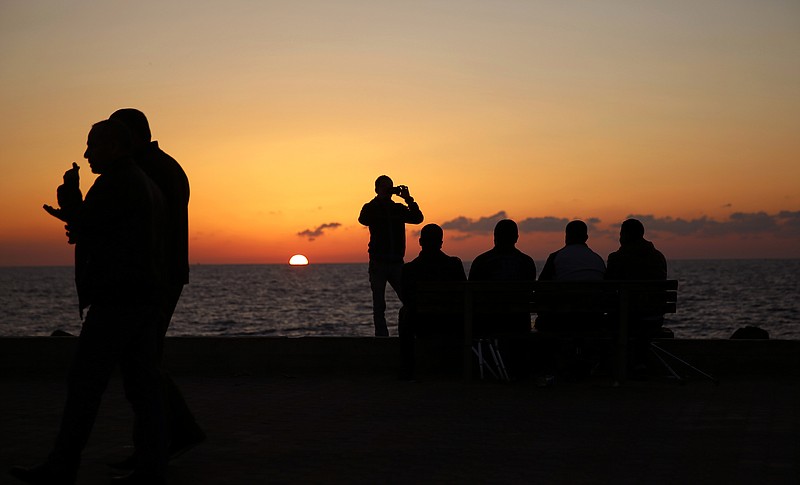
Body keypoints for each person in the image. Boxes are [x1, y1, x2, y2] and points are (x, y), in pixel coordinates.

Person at [12, 119, 168, 484]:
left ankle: (62, 466)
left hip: (117, 302)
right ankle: (151, 468)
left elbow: (89, 224)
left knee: (85, 386)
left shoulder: (116, 182)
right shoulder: (143, 184)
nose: (86, 153)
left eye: (92, 146)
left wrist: (70, 201)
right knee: (144, 389)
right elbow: (103, 229)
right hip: (143, 300)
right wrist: (78, 217)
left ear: (114, 146)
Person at [108, 108, 205, 469]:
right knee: (142, 360)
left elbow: (141, 226)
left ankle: (165, 440)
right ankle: (168, 437)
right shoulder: (164, 166)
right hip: (161, 273)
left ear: (132, 135)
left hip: (154, 276)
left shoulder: (150, 170)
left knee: (141, 362)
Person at [468, 219, 536, 379]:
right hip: (518, 322)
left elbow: (471, 295)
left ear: (494, 237)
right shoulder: (526, 262)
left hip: (488, 322)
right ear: (516, 238)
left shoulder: (481, 261)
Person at [358, 175, 424, 336]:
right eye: (384, 187)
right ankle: (382, 338)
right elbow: (363, 219)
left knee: (409, 300)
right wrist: (379, 203)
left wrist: (408, 199)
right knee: (379, 305)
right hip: (378, 263)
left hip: (396, 263)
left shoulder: (398, 209)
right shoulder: (370, 208)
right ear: (377, 189)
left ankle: (412, 333)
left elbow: (418, 218)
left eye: (390, 187)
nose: (387, 191)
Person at [398, 224, 466, 379]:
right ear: (441, 243)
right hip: (451, 323)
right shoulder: (454, 265)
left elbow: (407, 299)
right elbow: (463, 295)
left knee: (404, 312)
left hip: (422, 324)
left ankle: (407, 368)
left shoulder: (409, 269)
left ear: (420, 242)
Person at [535, 220, 606, 332]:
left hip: (563, 320)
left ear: (567, 236)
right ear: (586, 237)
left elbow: (541, 288)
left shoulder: (556, 257)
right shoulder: (597, 259)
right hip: (593, 320)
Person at [605, 218, 668, 336]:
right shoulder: (658, 257)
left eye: (621, 234)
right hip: (655, 318)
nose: (619, 238)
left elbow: (609, 288)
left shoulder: (617, 258)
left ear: (626, 235)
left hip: (627, 318)